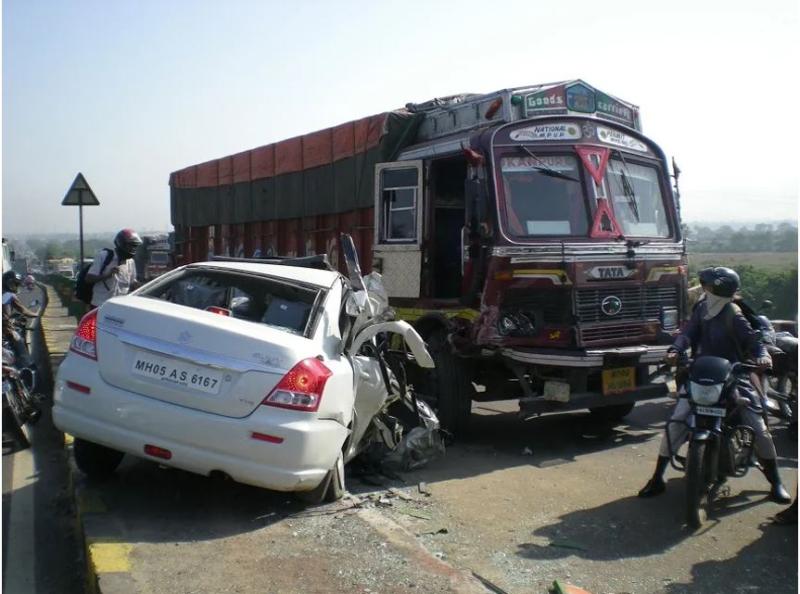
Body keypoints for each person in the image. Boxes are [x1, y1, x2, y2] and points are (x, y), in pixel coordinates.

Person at [638, 266, 791, 503]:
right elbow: (688, 333)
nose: (704, 290)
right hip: (701, 374)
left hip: (733, 376)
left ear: (716, 290)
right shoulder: (702, 309)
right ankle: (657, 478)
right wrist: (675, 349)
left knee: (758, 426)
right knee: (677, 422)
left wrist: (763, 356)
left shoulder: (734, 314)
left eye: (707, 286)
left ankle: (776, 482)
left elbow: (753, 341)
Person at [85, 229, 143, 307]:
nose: (133, 249)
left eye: (135, 246)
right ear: (122, 244)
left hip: (120, 306)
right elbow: (89, 278)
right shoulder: (104, 256)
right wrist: (107, 276)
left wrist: (142, 286)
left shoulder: (130, 262)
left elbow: (132, 282)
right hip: (100, 305)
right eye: (131, 245)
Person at [2, 271, 40, 368]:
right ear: (8, 283)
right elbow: (24, 310)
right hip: (5, 328)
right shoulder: (9, 295)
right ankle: (27, 368)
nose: (16, 286)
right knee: (19, 343)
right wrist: (37, 315)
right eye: (14, 283)